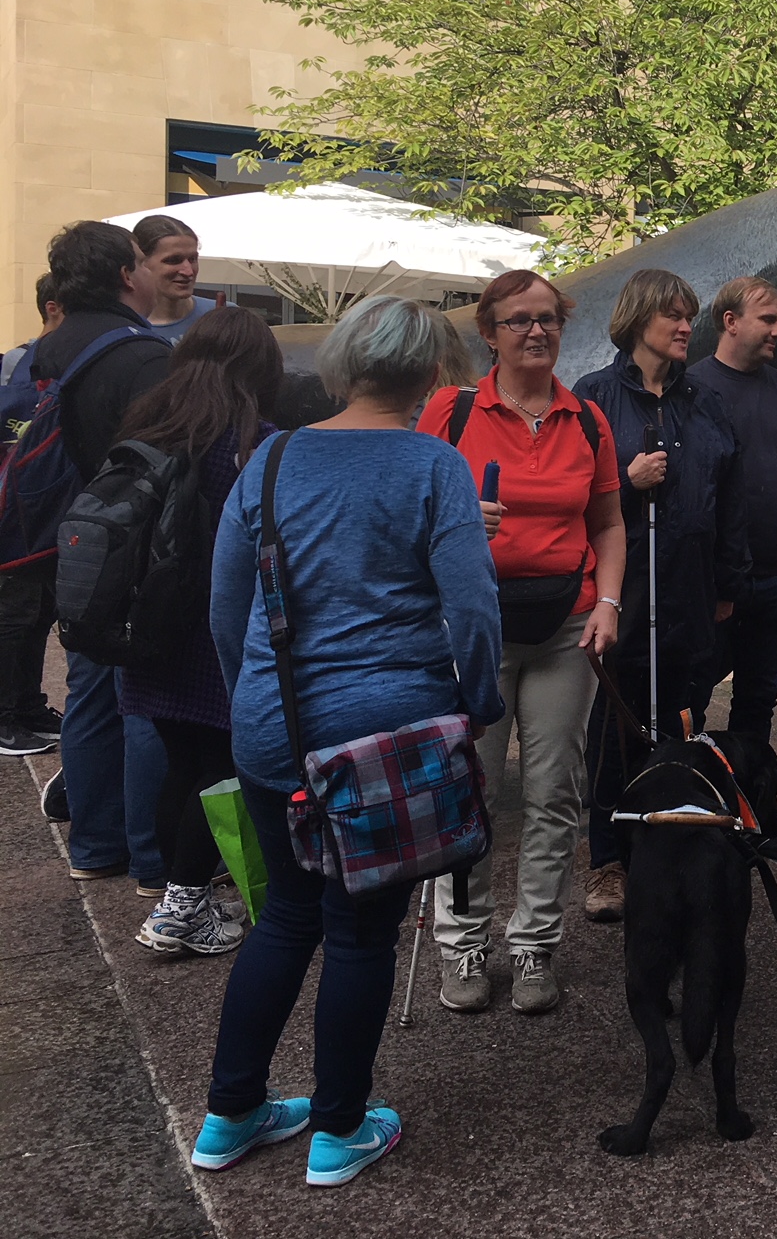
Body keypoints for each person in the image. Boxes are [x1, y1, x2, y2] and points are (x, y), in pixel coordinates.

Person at [197, 295, 502, 1188]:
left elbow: (226, 607)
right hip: (386, 739)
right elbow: (473, 608)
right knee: (361, 934)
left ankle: (230, 1114)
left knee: (284, 918)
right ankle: (337, 1129)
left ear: (344, 361)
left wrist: (246, 703)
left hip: (274, 731)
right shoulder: (433, 466)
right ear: (429, 374)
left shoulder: (270, 458)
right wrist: (476, 704)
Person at [417, 270, 622, 1016]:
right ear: (489, 333)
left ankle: (535, 942)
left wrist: (608, 601)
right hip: (475, 627)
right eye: (518, 321)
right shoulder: (452, 410)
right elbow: (412, 509)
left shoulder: (587, 419)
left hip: (566, 626)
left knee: (553, 793)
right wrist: (460, 521)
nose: (536, 331)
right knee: (469, 788)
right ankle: (461, 939)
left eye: (548, 318)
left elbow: (608, 522)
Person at [575, 270, 750, 922]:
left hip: (691, 593)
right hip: (623, 594)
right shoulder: (593, 399)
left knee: (683, 724)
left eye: (689, 315)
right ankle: (607, 862)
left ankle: (667, 845)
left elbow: (729, 498)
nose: (686, 326)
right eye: (673, 315)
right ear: (638, 317)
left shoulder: (704, 402)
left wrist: (727, 585)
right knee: (613, 728)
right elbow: (576, 499)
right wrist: (626, 478)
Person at [122, 308, 282, 956]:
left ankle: (180, 896)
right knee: (221, 772)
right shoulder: (253, 441)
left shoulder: (150, 426)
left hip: (151, 625)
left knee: (181, 767)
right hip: (216, 629)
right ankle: (175, 912)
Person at [27, 223, 172, 885]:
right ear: (125, 274)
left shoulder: (45, 348)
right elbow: (168, 461)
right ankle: (154, 858)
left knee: (87, 692)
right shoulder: (139, 355)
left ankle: (94, 846)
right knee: (143, 695)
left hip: (66, 541)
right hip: (131, 547)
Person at [689, 275, 777, 864]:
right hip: (711, 582)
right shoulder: (692, 389)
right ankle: (690, 815)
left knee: (758, 704)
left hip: (774, 579)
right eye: (767, 319)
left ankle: (751, 820)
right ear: (730, 320)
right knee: (690, 698)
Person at [0, 273, 67, 759]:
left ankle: (28, 706)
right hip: (10, 516)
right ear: (52, 309)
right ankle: (4, 719)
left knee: (38, 614)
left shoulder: (72, 367)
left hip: (49, 518)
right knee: (13, 616)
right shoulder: (12, 366)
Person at [131, 215, 211, 343]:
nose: (188, 271)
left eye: (192, 259)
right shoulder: (124, 328)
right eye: (173, 260)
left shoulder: (222, 315)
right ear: (142, 262)